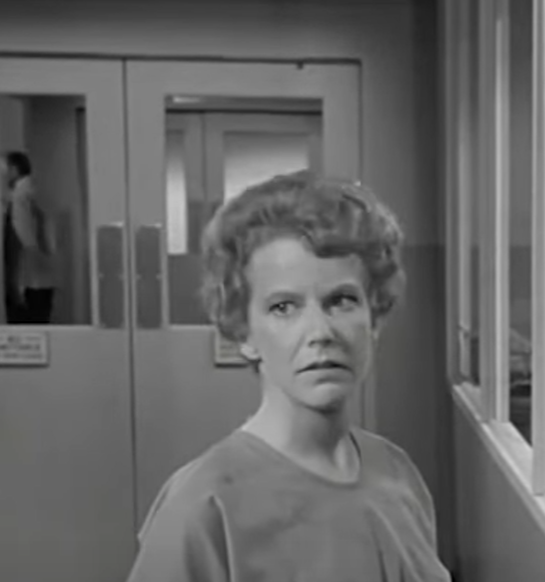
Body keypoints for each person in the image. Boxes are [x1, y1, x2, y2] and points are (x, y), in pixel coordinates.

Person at [126, 171, 450, 582]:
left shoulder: (397, 474)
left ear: (375, 316)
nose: (320, 332)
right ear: (243, 333)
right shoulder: (204, 507)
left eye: (341, 301)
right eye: (284, 307)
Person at [2, 151, 56, 324]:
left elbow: (23, 236)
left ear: (14, 169)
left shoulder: (22, 195)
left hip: (28, 277)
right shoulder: (29, 191)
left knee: (27, 322)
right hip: (37, 275)